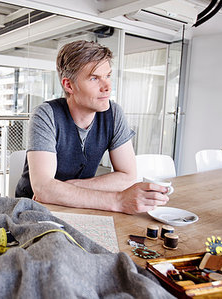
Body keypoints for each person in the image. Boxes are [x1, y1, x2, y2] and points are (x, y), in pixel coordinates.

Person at [15, 40, 170, 214]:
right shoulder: (45, 114)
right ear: (69, 85)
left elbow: (128, 177)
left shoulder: (113, 113)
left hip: (83, 207)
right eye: (94, 78)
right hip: (34, 210)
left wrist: (69, 186)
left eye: (108, 76)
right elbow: (43, 189)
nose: (107, 87)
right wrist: (118, 200)